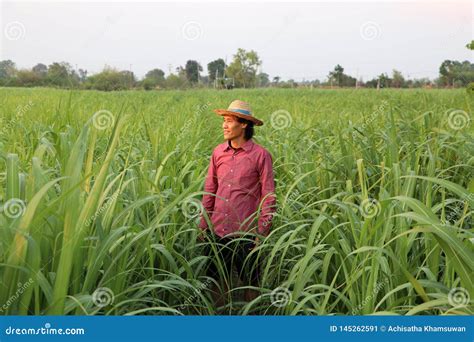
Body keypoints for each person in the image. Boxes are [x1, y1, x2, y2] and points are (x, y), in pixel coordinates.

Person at [197, 99, 276, 309]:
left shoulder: (260, 156)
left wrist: (262, 231)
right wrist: (203, 225)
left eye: (229, 121)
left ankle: (253, 318)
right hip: (218, 230)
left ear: (243, 124)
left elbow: (268, 195)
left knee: (250, 282)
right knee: (216, 281)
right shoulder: (217, 153)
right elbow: (210, 190)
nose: (224, 125)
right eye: (223, 120)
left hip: (246, 233)